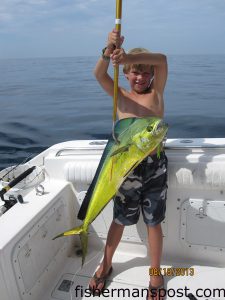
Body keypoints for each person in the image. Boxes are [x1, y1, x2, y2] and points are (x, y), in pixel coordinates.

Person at [88, 29, 168, 300]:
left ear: (153, 76)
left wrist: (130, 57)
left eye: (146, 73)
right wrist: (109, 48)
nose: (140, 77)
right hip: (125, 169)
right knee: (120, 219)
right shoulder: (119, 95)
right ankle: (106, 264)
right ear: (125, 74)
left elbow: (163, 59)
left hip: (155, 167)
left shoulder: (156, 95)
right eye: (134, 72)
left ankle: (155, 273)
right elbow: (98, 74)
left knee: (154, 222)